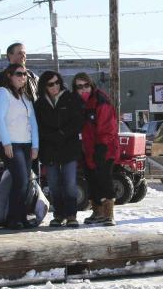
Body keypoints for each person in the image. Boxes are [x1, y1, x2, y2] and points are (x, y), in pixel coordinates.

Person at [34, 70, 85, 227]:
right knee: (54, 184)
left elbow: (77, 122)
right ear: (44, 86)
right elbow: (38, 126)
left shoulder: (71, 98)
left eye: (57, 82)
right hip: (49, 149)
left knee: (70, 183)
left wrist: (62, 133)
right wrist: (52, 136)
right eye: (51, 84)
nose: (55, 86)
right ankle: (58, 215)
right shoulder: (40, 103)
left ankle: (71, 215)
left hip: (69, 148)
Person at [0, 63, 39, 229]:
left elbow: (32, 122)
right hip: (10, 143)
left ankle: (22, 217)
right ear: (9, 76)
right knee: (20, 180)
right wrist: (6, 142)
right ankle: (13, 219)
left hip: (26, 143)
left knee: (25, 181)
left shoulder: (25, 97)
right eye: (19, 74)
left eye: (25, 74)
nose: (23, 77)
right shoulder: (2, 93)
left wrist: (35, 145)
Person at [75, 72, 118, 227]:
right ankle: (97, 211)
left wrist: (102, 148)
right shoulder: (78, 103)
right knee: (91, 179)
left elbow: (108, 128)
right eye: (79, 86)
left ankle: (108, 214)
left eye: (86, 85)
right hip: (87, 149)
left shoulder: (101, 101)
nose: (83, 89)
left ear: (91, 85)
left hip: (104, 148)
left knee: (104, 179)